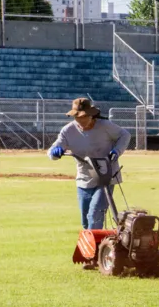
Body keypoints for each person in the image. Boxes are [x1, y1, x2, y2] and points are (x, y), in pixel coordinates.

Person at [47, 97, 131, 230]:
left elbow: (125, 135)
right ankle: (93, 245)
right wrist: (54, 152)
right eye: (77, 117)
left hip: (106, 176)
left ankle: (96, 249)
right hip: (84, 178)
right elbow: (52, 151)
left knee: (95, 214)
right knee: (85, 220)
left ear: (91, 115)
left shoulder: (105, 126)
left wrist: (117, 150)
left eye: (84, 116)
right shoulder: (68, 131)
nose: (81, 120)